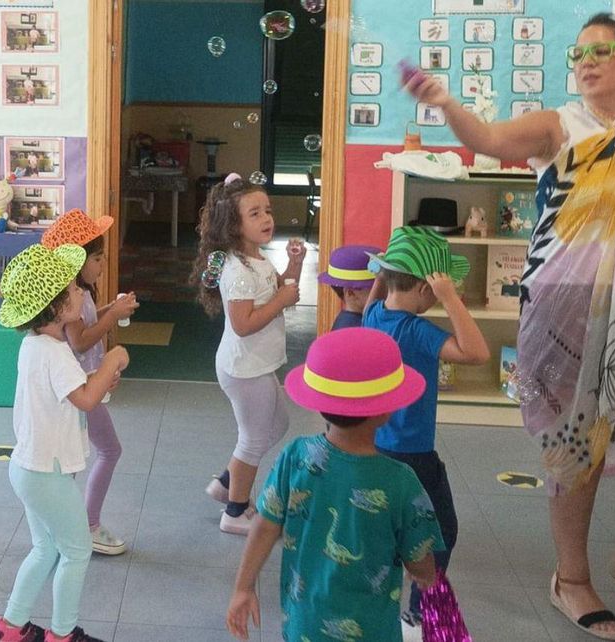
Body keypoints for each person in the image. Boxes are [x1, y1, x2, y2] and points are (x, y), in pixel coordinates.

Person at [402, 12, 615, 639]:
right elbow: (492, 138)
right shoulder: (558, 124)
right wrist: (447, 103)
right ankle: (571, 579)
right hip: (567, 314)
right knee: (575, 457)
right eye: (577, 53)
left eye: (602, 49)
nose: (586, 60)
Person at [226, 328, 444, 641]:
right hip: (372, 630)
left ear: (319, 402)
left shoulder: (295, 457)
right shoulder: (401, 481)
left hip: (305, 624)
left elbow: (264, 526)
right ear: (386, 409)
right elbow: (419, 559)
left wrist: (243, 588)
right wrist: (427, 577)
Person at [0, 243, 128, 642]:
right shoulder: (56, 352)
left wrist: (100, 382)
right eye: (70, 288)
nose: (78, 292)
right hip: (47, 473)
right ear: (52, 306)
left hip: (29, 467)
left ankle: (12, 627)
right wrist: (112, 361)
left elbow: (76, 393)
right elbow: (85, 397)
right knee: (77, 551)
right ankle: (62, 635)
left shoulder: (34, 345)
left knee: (45, 549)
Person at [362, 225, 489, 628]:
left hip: (375, 447)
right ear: (423, 288)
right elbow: (477, 353)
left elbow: (378, 292)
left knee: (384, 528)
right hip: (414, 456)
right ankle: (418, 612)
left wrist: (383, 274)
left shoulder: (373, 315)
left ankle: (375, 597)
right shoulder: (417, 332)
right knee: (441, 532)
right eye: (437, 287)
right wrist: (451, 300)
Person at [190, 172, 304, 535]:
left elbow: (275, 288)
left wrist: (295, 265)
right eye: (254, 213)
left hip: (258, 364)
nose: (267, 218)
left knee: (278, 425)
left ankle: (226, 482)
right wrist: (282, 300)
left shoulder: (256, 259)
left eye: (267, 210)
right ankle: (235, 511)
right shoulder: (237, 270)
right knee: (253, 440)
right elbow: (243, 323)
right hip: (245, 368)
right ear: (233, 224)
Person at [41, 209, 139, 555]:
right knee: (103, 451)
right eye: (97, 258)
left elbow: (86, 323)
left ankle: (69, 526)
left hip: (85, 384)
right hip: (80, 387)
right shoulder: (70, 296)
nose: (102, 264)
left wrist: (112, 306)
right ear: (76, 259)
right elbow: (80, 340)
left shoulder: (80, 291)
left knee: (81, 456)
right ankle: (85, 526)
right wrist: (113, 316)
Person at [321, 244, 381, 330]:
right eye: (375, 287)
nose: (385, 292)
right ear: (351, 293)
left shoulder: (354, 321)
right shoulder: (355, 328)